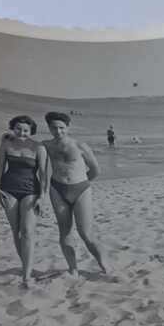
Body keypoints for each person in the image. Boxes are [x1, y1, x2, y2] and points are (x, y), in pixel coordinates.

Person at [43, 112, 110, 275]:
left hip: (81, 189)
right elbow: (28, 149)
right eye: (54, 128)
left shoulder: (80, 146)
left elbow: (95, 170)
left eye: (61, 128)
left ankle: (105, 265)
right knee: (64, 232)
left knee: (86, 233)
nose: (58, 131)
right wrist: (8, 138)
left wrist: (82, 183)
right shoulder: (46, 146)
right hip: (57, 190)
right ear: (49, 128)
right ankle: (73, 268)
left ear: (68, 127)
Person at [0, 115, 48, 287]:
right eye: (18, 129)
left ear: (31, 131)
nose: (22, 133)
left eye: (25, 130)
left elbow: (44, 174)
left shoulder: (37, 147)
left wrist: (42, 196)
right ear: (13, 128)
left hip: (31, 191)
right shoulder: (6, 143)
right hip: (8, 189)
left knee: (27, 231)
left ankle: (26, 276)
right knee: (15, 230)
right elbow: (0, 166)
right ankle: (27, 266)